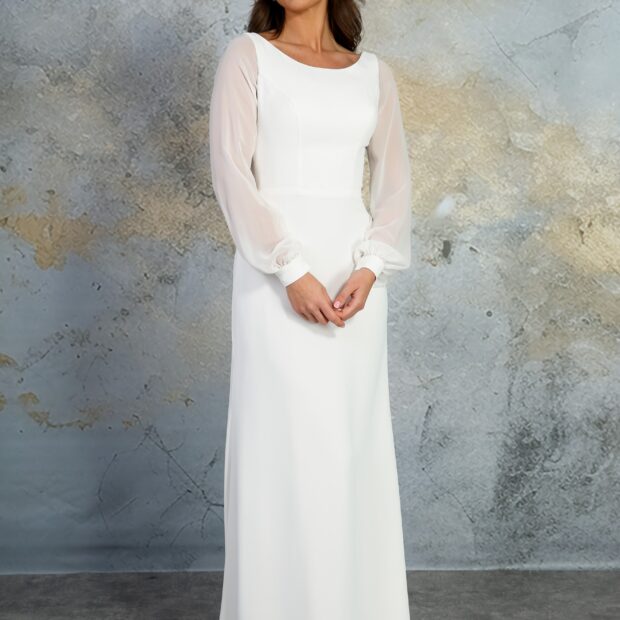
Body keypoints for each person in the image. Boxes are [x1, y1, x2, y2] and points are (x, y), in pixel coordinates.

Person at [209, 1, 412, 618]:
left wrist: (372, 266)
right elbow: (231, 172)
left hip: (355, 283)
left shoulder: (373, 73)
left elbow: (395, 183)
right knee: (283, 448)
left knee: (350, 447)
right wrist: (290, 269)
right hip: (274, 280)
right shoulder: (248, 57)